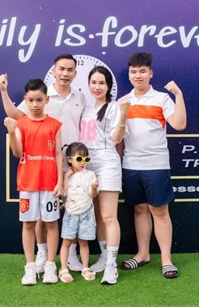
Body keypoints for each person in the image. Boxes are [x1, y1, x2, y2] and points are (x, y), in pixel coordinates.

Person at [0, 53, 86, 273]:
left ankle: (70, 253)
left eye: (70, 70)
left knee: (73, 210)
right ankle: (43, 253)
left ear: (75, 73)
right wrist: (3, 91)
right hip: (43, 166)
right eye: (61, 69)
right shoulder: (42, 94)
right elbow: (15, 115)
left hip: (73, 163)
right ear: (53, 71)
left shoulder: (80, 97)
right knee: (40, 216)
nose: (65, 73)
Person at [119, 52, 187, 279]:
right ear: (129, 75)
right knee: (139, 209)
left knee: (159, 211)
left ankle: (166, 259)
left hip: (156, 164)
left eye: (142, 71)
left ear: (151, 73)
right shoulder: (122, 102)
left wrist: (178, 94)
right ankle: (143, 254)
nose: (137, 75)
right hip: (131, 165)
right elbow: (119, 139)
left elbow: (179, 124)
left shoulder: (161, 99)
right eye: (133, 72)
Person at [4, 78, 63, 285]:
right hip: (28, 182)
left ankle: (50, 265)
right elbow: (17, 152)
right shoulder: (20, 124)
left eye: (39, 100)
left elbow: (58, 154)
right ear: (25, 100)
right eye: (31, 100)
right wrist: (11, 132)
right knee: (28, 224)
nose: (35, 104)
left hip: (49, 183)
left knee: (51, 223)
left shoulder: (55, 125)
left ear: (47, 99)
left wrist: (60, 182)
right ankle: (30, 267)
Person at [79, 66, 129, 284]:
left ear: (109, 86)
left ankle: (111, 265)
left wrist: (124, 115)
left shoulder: (115, 107)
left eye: (102, 83)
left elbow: (117, 138)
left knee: (109, 216)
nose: (97, 87)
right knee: (97, 215)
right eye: (93, 82)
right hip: (87, 164)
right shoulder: (86, 108)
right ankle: (104, 255)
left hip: (107, 162)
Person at [58, 142, 98, 283]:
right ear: (69, 159)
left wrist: (94, 188)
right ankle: (63, 269)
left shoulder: (90, 175)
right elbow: (63, 194)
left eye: (86, 159)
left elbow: (93, 195)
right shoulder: (67, 175)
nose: (83, 162)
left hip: (86, 214)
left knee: (84, 242)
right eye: (79, 159)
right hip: (70, 214)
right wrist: (65, 177)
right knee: (66, 242)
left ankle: (85, 267)